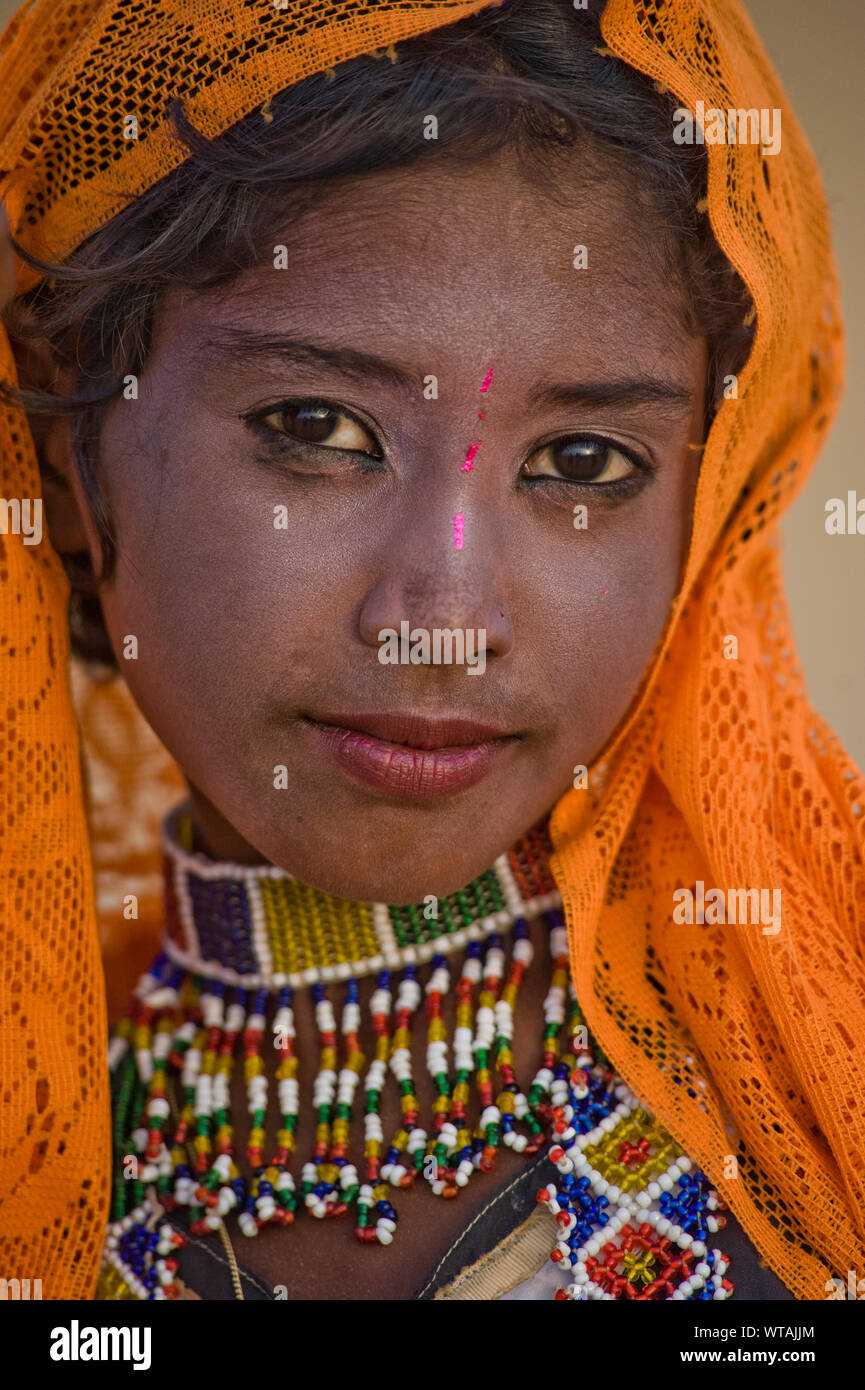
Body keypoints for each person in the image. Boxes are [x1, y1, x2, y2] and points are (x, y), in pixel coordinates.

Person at [0, 0, 862, 1302]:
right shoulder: (36, 1153)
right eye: (316, 425)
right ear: (68, 464)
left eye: (583, 461)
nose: (445, 612)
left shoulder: (820, 1138)